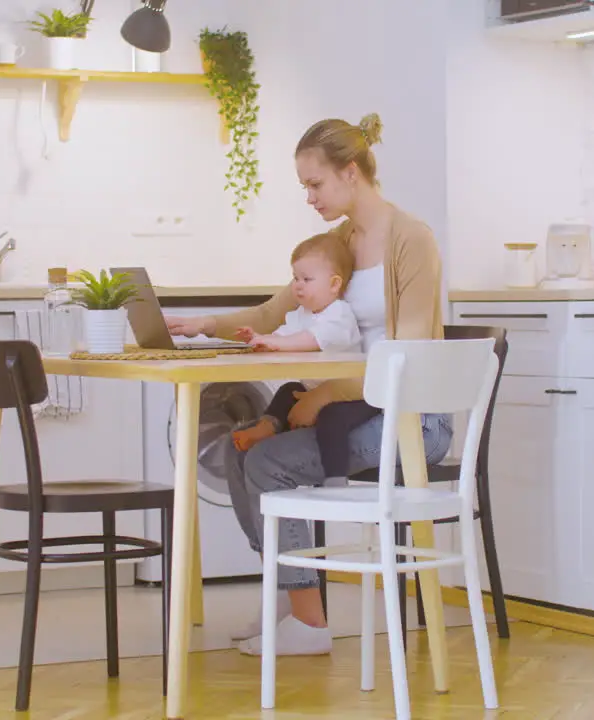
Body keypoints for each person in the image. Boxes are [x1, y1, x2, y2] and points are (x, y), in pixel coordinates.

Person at [165, 112, 452, 656]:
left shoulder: (412, 240)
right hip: (350, 411)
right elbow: (276, 310)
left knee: (268, 460)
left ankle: (310, 623)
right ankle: (285, 589)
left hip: (409, 421)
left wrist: (324, 392)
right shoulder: (338, 242)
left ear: (350, 173)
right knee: (236, 449)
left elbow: (406, 358)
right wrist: (201, 325)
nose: (309, 197)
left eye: (314, 184)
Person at [230, 232, 379, 481]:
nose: (297, 285)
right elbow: (282, 335)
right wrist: (260, 340)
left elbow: (311, 339)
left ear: (334, 284)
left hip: (352, 397)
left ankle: (335, 478)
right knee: (289, 389)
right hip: (312, 391)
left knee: (332, 419)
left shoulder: (339, 316)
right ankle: (267, 426)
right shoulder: (301, 314)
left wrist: (275, 342)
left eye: (307, 279)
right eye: (295, 278)